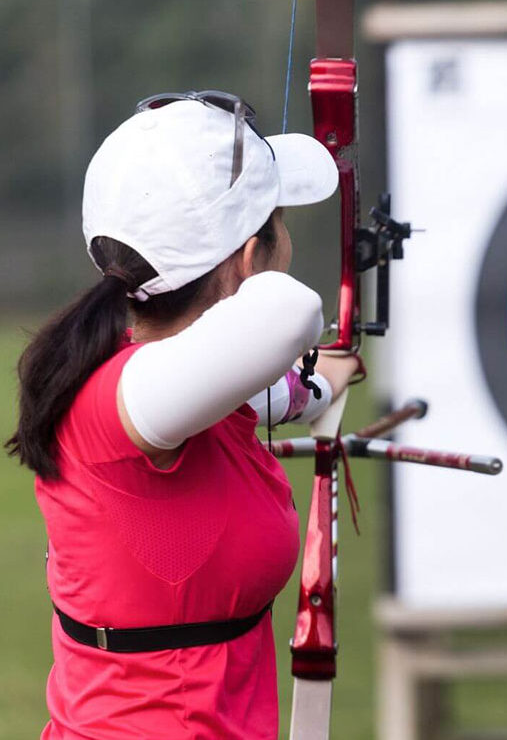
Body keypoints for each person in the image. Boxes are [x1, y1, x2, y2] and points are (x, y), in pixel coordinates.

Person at [5, 91, 360, 739]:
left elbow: (267, 392)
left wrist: (323, 381)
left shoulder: (179, 390)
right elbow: (289, 314)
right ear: (249, 258)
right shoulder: (126, 399)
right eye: (278, 223)